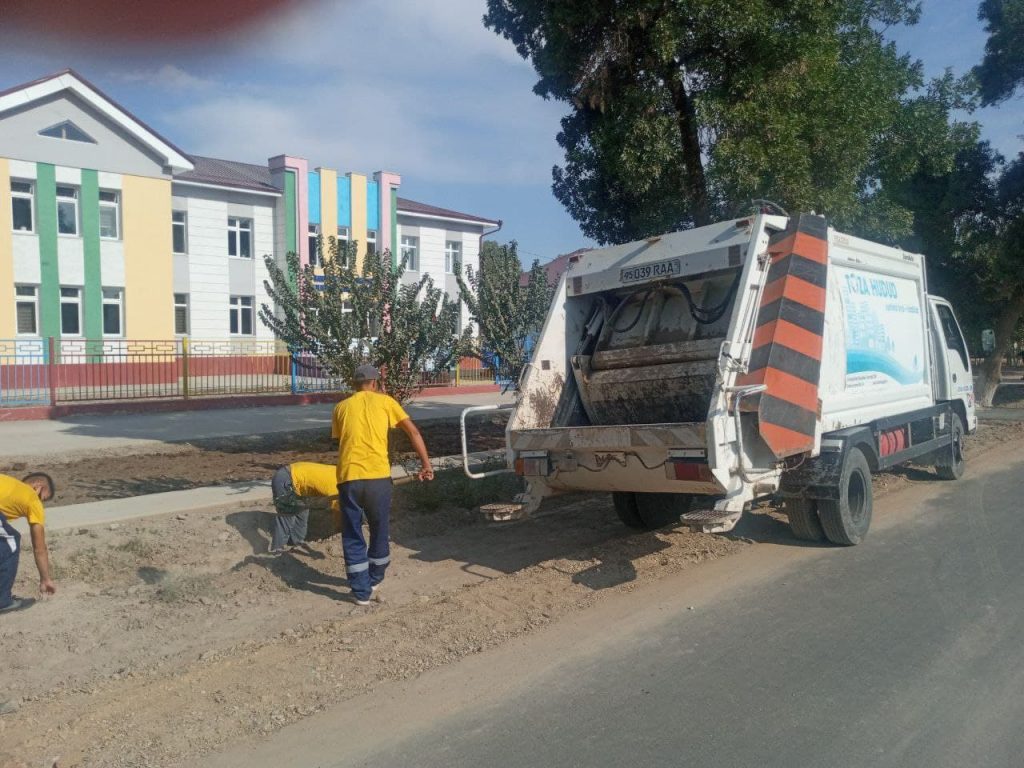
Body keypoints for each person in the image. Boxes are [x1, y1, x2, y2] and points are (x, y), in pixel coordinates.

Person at [332, 364, 433, 605]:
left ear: (353, 384)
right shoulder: (387, 403)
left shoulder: (341, 408)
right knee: (379, 529)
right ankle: (375, 577)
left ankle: (361, 592)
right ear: (375, 383)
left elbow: (340, 441)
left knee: (352, 532)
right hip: (378, 478)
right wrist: (426, 464)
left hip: (349, 477)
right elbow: (413, 432)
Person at [0, 472, 57, 613]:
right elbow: (39, 548)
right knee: (11, 540)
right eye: (43, 498)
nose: (40, 503)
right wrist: (45, 579)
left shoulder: (8, 484)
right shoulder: (32, 499)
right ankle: (3, 601)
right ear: (38, 486)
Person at [269, 461, 340, 554]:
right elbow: (341, 513)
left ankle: (296, 544)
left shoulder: (343, 475)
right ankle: (276, 551)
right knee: (287, 515)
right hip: (286, 478)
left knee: (302, 514)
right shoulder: (335, 488)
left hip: (300, 485)